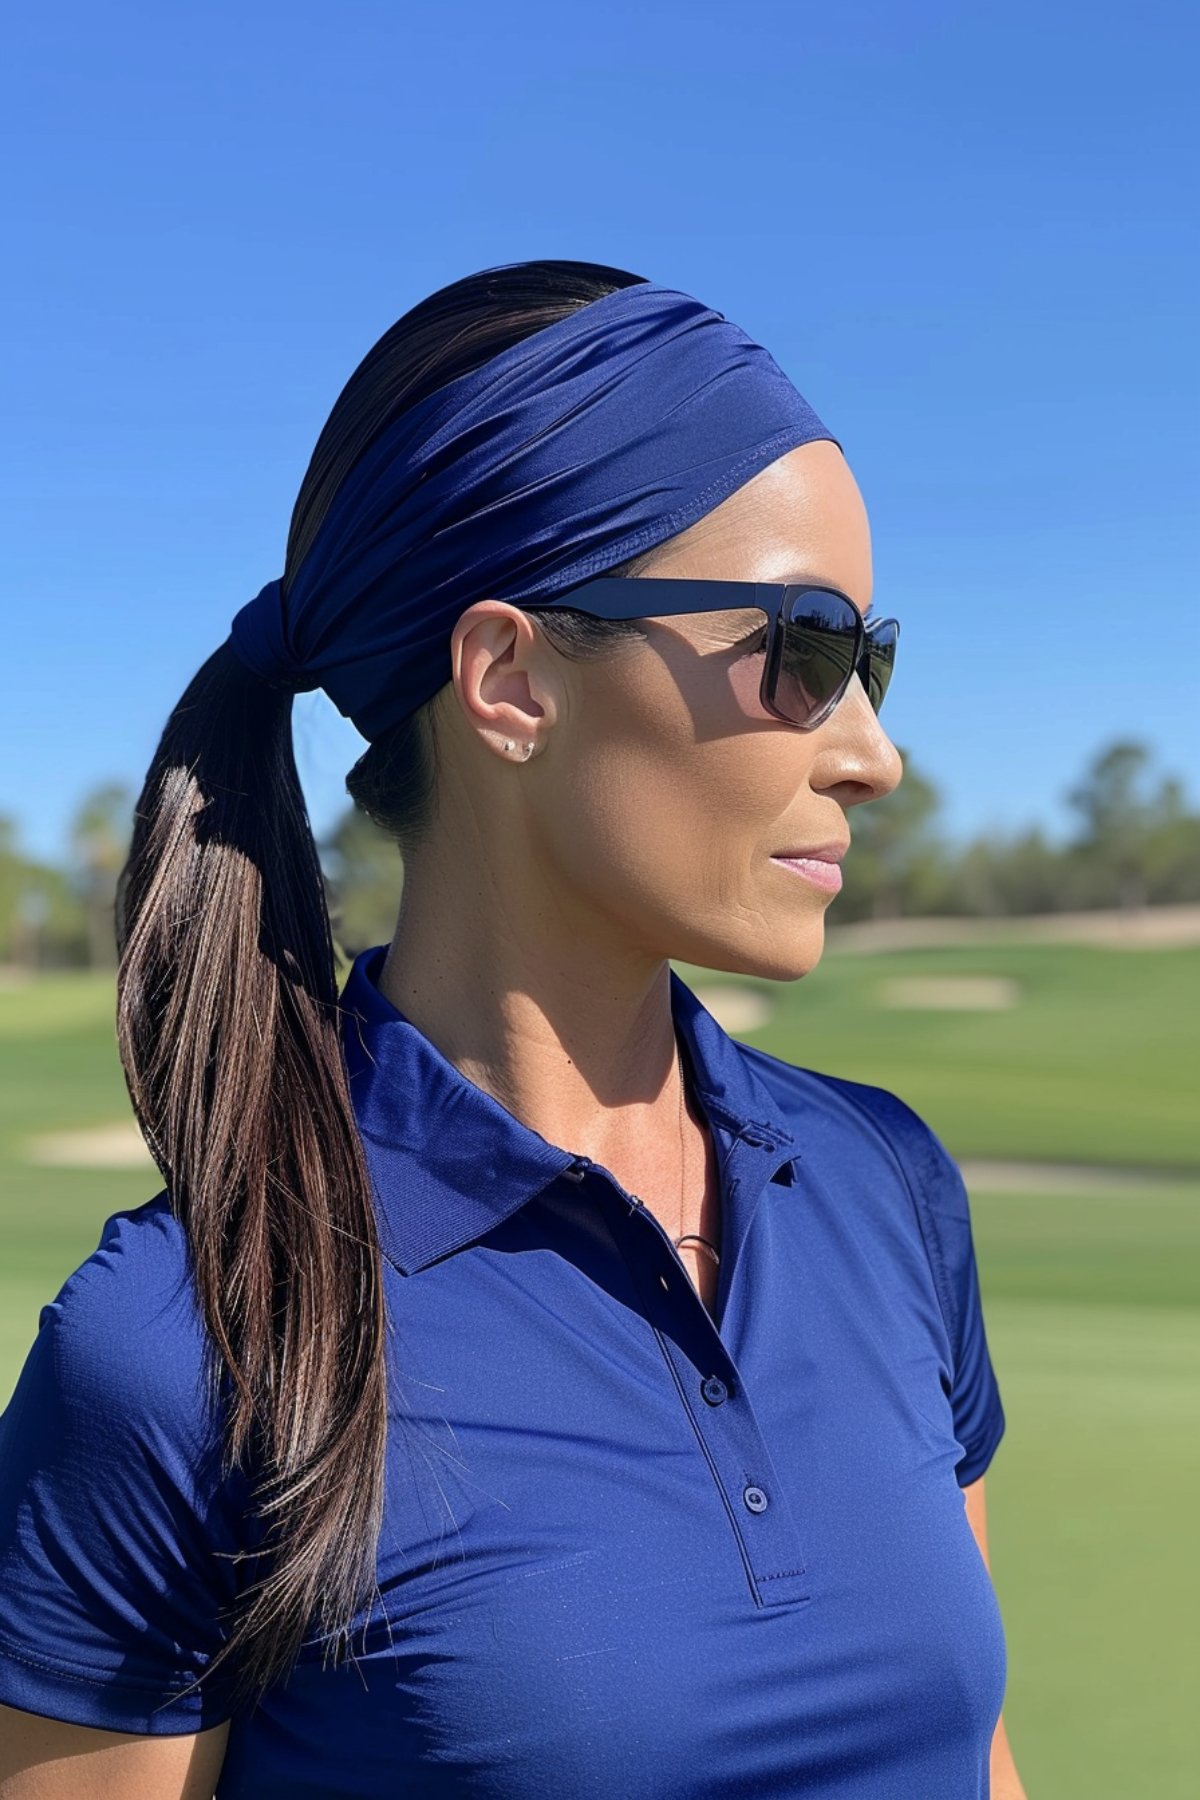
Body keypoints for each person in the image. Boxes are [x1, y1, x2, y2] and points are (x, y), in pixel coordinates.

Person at [0, 260, 1024, 1798]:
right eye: (803, 651)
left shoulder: (885, 1183)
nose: (871, 752)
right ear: (508, 681)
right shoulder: (181, 1349)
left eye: (867, 658)